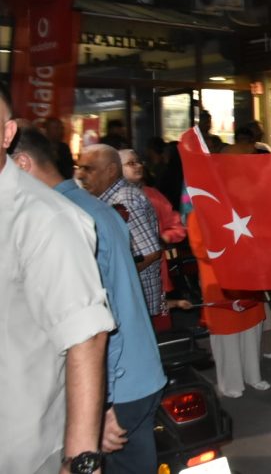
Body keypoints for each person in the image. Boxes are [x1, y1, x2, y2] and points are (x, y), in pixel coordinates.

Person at [12, 128, 167, 474]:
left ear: (22, 164)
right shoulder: (94, 208)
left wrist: (103, 404)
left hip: (115, 385)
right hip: (139, 373)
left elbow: (97, 321)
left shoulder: (59, 217)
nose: (83, 174)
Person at [0, 83, 114, 474]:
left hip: (22, 454)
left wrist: (81, 460)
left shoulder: (44, 217)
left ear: (7, 134)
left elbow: (87, 336)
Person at [77, 144, 165, 316]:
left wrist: (112, 278)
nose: (80, 175)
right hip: (129, 296)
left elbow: (150, 252)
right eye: (79, 168)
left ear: (110, 170)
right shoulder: (108, 197)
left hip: (134, 297)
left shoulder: (124, 198)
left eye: (88, 169)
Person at [189, 211, 269, 398]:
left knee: (251, 327)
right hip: (218, 278)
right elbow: (200, 249)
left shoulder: (243, 205)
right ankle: (231, 383)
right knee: (227, 331)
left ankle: (253, 375)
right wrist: (232, 247)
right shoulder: (200, 210)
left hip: (248, 274)